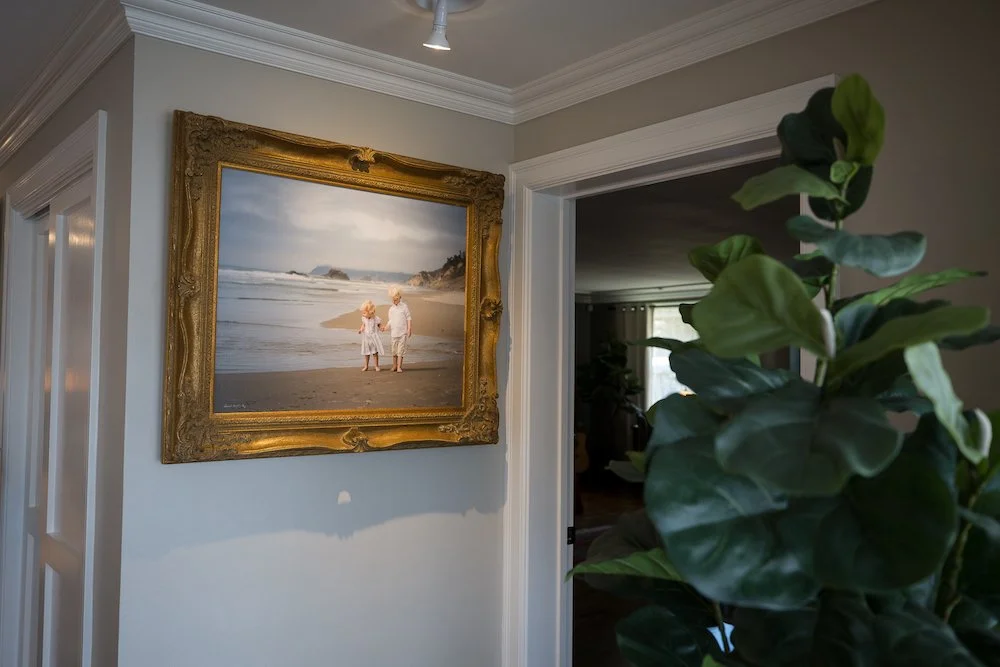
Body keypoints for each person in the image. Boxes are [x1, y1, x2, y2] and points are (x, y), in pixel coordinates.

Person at [384, 286, 412, 373]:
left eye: (395, 299)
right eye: (392, 299)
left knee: (401, 351)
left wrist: (409, 328)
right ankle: (394, 366)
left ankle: (399, 367)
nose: (394, 301)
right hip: (394, 334)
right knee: (394, 351)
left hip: (402, 333)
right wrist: (385, 327)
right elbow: (390, 321)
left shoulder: (404, 307)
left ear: (400, 297)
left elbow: (408, 317)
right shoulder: (391, 309)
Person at [357, 299, 384, 371]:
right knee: (366, 353)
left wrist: (381, 328)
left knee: (375, 353)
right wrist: (361, 329)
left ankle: (376, 366)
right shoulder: (364, 319)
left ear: (370, 312)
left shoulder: (375, 319)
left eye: (364, 313)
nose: (363, 314)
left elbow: (379, 324)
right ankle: (366, 366)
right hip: (366, 338)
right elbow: (363, 325)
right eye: (363, 313)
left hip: (373, 338)